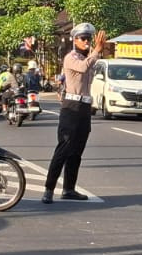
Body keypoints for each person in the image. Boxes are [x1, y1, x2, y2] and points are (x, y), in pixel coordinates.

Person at [44, 21, 107, 203]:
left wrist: (96, 51)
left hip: (85, 108)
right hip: (71, 107)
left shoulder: (89, 57)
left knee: (77, 151)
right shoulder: (71, 57)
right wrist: (97, 50)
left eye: (89, 38)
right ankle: (48, 188)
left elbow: (90, 66)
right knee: (63, 148)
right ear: (75, 40)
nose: (87, 42)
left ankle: (69, 189)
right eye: (83, 38)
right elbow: (83, 67)